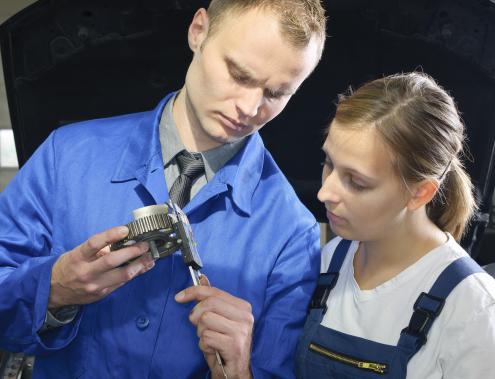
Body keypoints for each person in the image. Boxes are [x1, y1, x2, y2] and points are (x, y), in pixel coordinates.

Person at [0, 1, 327, 378]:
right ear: (198, 31)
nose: (249, 107)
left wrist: (240, 373)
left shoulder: (293, 232)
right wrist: (55, 289)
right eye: (239, 74)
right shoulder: (66, 156)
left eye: (276, 93)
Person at [295, 72, 495, 378]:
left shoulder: (475, 311)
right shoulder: (325, 264)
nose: (325, 193)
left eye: (357, 183)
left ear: (420, 193)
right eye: (329, 164)